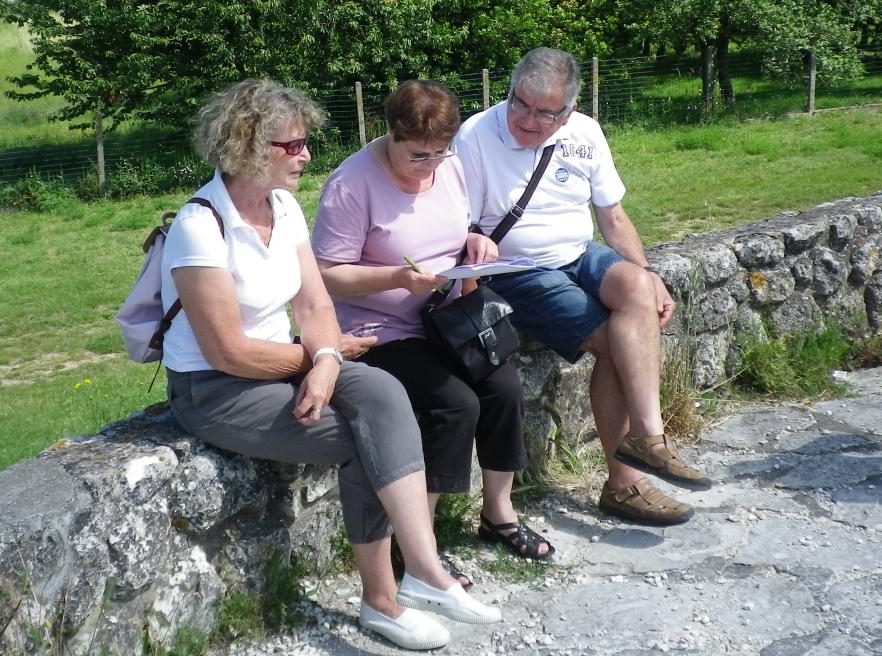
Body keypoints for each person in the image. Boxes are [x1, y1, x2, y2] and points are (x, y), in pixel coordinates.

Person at [160, 78, 502, 651]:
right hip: (216, 388)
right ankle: (383, 601)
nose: (307, 155)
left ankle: (422, 568)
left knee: (385, 392)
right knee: (364, 442)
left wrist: (323, 360)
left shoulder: (283, 206)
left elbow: (316, 305)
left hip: (290, 361)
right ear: (248, 146)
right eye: (293, 146)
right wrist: (318, 358)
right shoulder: (200, 226)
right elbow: (228, 352)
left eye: (304, 143)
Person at [455, 48, 713, 526]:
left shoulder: (587, 132)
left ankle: (649, 437)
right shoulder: (475, 136)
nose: (526, 120)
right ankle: (624, 484)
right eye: (520, 103)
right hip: (518, 269)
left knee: (637, 287)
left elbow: (612, 217)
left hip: (579, 252)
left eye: (545, 112)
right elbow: (459, 222)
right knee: (614, 341)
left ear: (569, 111)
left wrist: (648, 272)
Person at [312, 80, 552, 571]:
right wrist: (396, 277)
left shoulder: (450, 167)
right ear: (390, 133)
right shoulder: (351, 184)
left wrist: (476, 243)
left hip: (447, 319)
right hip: (378, 331)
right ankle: (419, 542)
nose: (430, 166)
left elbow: (458, 227)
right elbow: (326, 274)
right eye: (418, 155)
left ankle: (498, 512)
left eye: (440, 153)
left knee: (503, 386)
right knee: (453, 404)